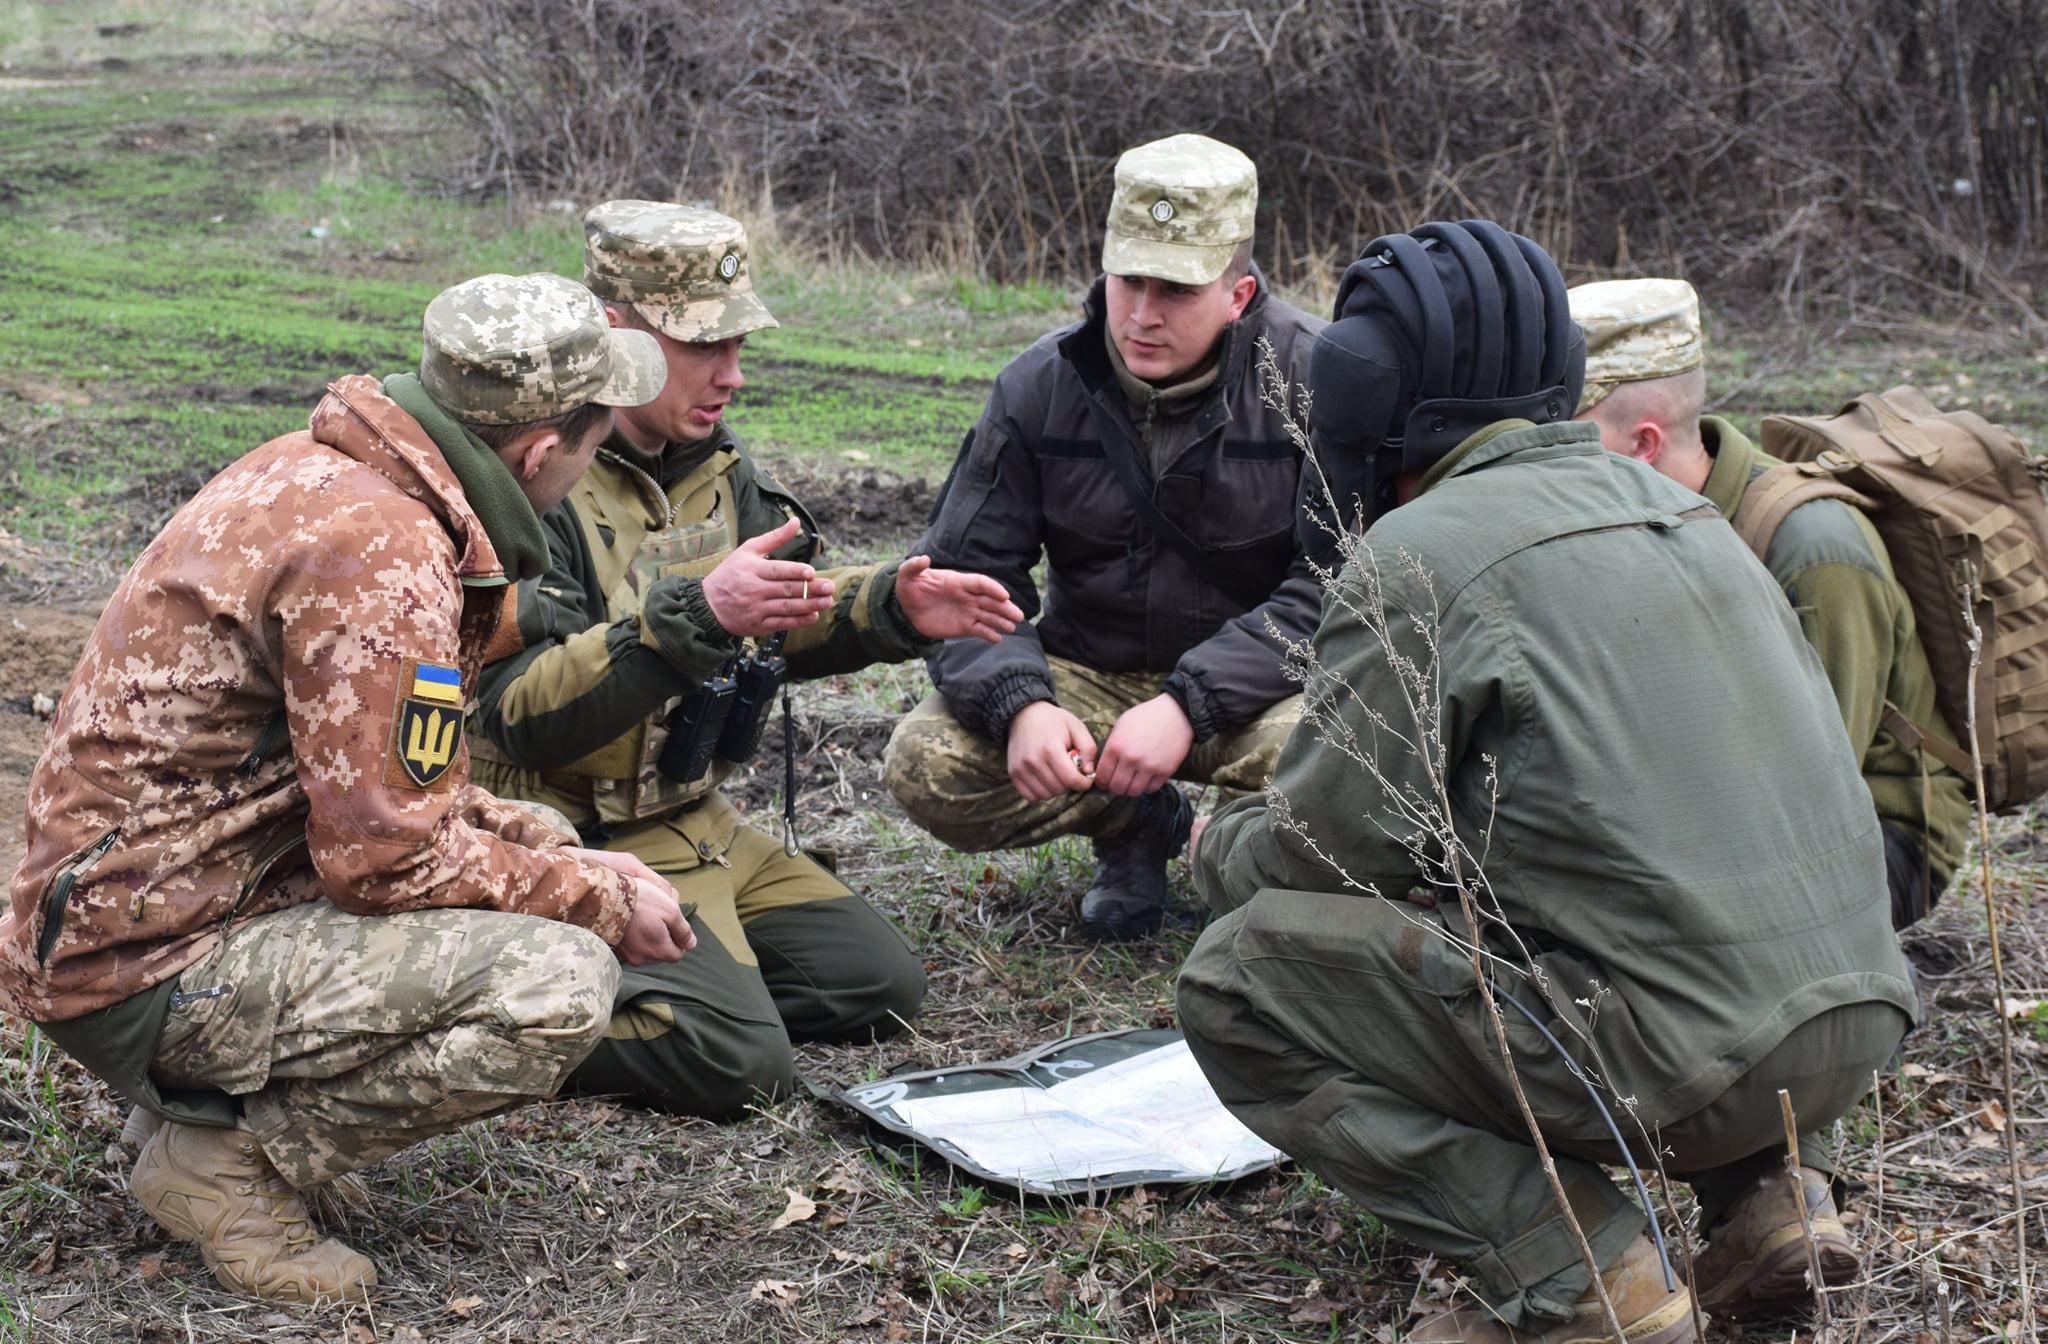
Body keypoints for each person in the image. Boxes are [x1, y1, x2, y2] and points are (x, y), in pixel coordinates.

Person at [1175, 222, 1918, 1339]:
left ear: (1369, 400)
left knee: (1233, 977)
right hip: (1851, 1033)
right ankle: (1772, 1202)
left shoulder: (1420, 553)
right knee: (1639, 908)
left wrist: (1211, 846)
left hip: (1679, 1067)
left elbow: (1323, 849)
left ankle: (1586, 1271)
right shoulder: (1696, 518)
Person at [0, 273, 693, 1305]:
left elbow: (382, 787)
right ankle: (229, 1164)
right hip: (144, 962)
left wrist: (556, 855)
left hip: (149, 907)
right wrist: (601, 897)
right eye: (597, 445)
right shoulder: (384, 554)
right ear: (541, 452)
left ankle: (200, 1114)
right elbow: (385, 860)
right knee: (557, 981)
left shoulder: (336, 475)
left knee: (541, 837)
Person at [470, 201, 1020, 1120]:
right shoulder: (545, 475)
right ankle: (497, 1011)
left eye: (738, 344)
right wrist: (692, 619)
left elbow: (769, 615)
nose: (730, 373)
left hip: (693, 814)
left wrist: (890, 603)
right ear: (619, 334)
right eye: (701, 346)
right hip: (574, 827)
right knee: (738, 1062)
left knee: (876, 987)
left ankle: (685, 982)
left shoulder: (718, 465)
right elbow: (513, 711)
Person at [880, 133, 1326, 941]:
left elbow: (1338, 587)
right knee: (927, 763)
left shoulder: (1316, 382)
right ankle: (1136, 826)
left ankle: (1243, 864)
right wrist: (1020, 705)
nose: (1142, 315)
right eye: (1129, 281)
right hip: (1094, 677)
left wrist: (1190, 703)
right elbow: (966, 576)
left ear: (1239, 292)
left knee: (1345, 756)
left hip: (1258, 691)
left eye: (1177, 290)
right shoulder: (1038, 384)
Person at [1571, 277, 1969, 931]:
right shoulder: (1651, 515)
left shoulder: (1815, 551)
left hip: (1875, 836)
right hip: (1731, 792)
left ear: (1643, 443)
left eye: (1572, 434)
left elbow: (1813, 788)